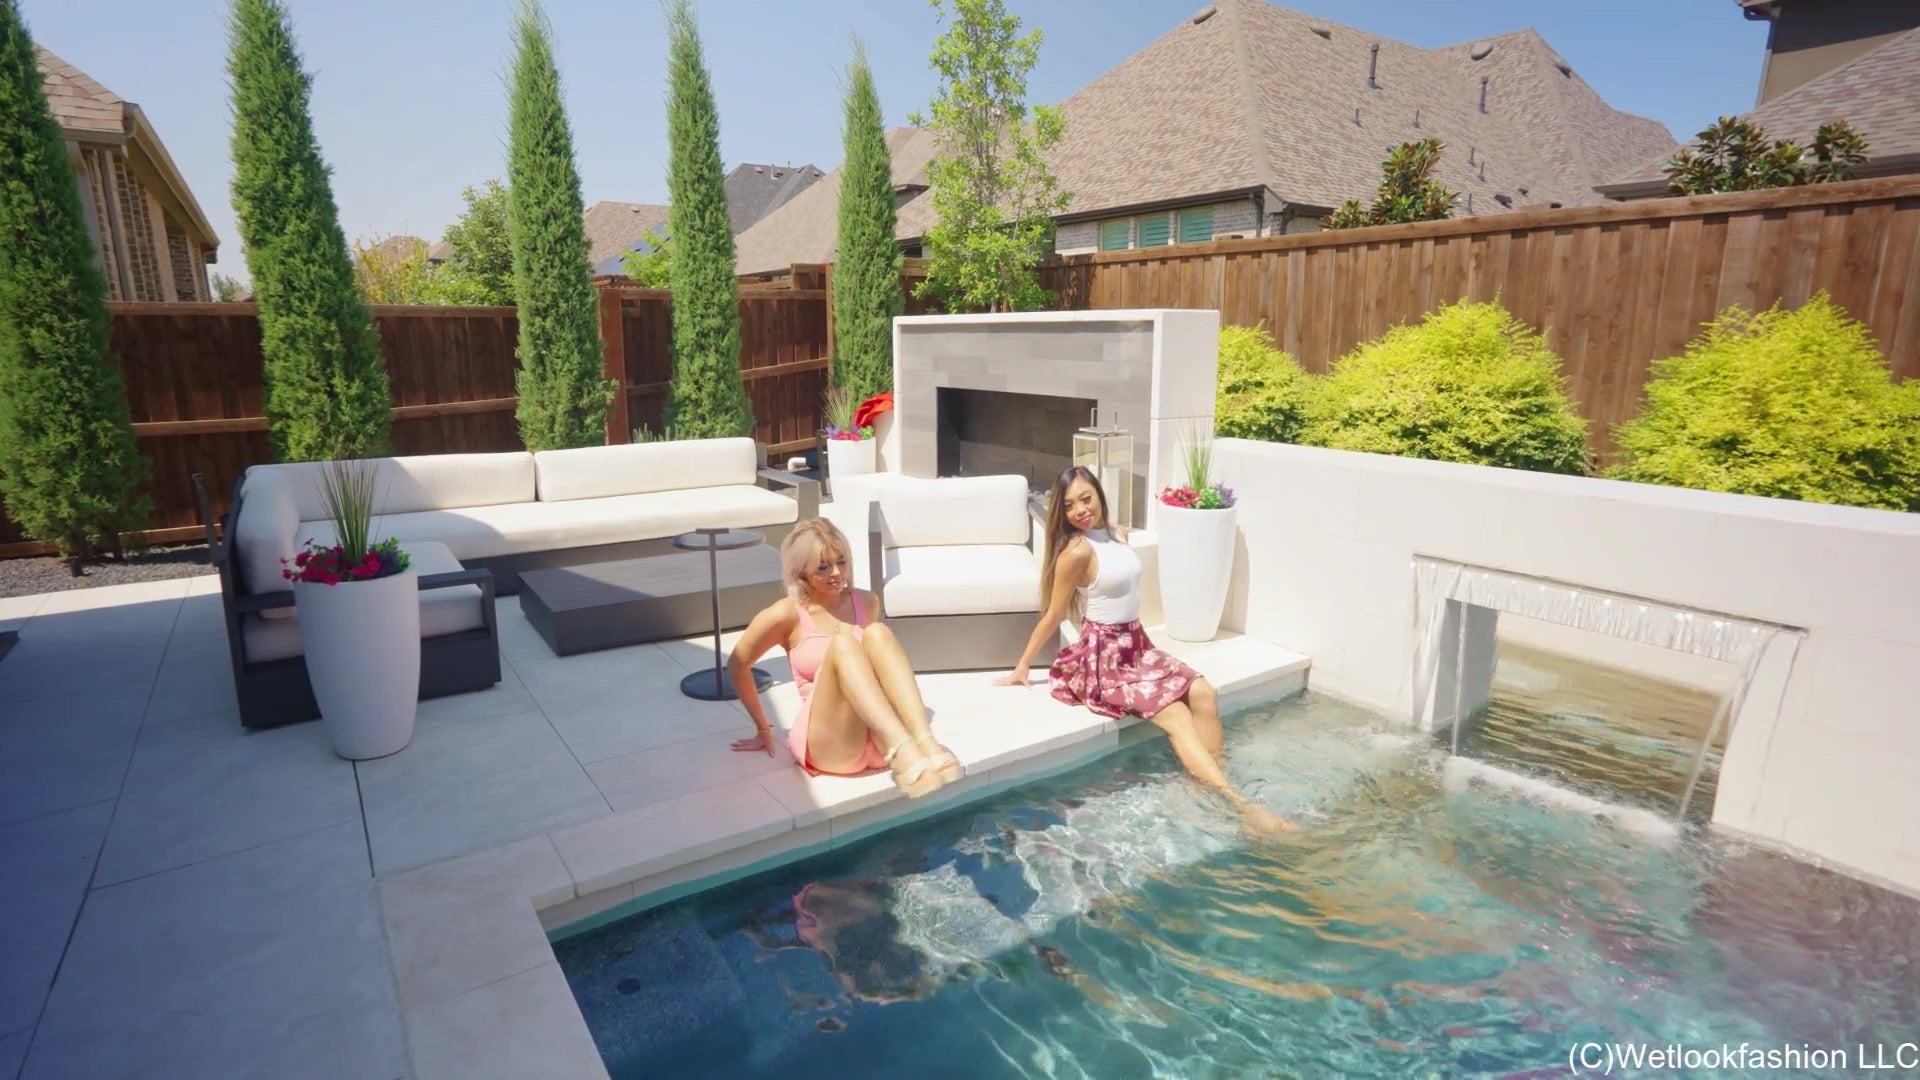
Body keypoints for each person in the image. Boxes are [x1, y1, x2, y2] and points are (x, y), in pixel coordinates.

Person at [995, 466, 1293, 834]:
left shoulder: (1117, 534)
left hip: (1138, 647)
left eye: (1086, 499)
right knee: (1178, 718)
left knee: (1204, 693)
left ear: (1099, 496)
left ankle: (1211, 783)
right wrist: (1023, 665)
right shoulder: (1075, 552)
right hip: (1106, 659)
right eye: (1070, 506)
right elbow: (1054, 614)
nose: (1080, 510)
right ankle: (1241, 808)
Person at [727, 518, 961, 798]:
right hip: (832, 747)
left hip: (877, 743)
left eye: (842, 562)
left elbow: (877, 672)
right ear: (801, 571)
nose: (837, 573)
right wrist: (763, 728)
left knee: (877, 632)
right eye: (823, 567)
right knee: (843, 644)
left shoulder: (866, 601)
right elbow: (738, 664)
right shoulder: (786, 614)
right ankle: (904, 748)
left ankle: (923, 742)